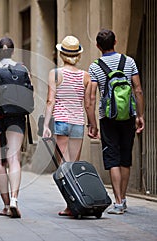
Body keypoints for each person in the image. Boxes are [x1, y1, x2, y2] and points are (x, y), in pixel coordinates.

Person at [88, 29, 144, 214]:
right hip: (128, 115)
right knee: (125, 158)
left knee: (112, 158)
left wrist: (93, 123)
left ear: (98, 46)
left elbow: (92, 98)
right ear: (116, 42)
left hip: (108, 117)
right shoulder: (129, 62)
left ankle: (118, 202)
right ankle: (124, 198)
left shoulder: (95, 66)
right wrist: (140, 115)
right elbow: (138, 90)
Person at [42, 35, 98, 216]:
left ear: (62, 54)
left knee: (64, 167)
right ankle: (74, 204)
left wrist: (46, 125)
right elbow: (88, 103)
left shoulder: (55, 74)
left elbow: (50, 100)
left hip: (60, 122)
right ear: (78, 56)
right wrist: (92, 124)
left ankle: (70, 205)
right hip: (77, 123)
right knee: (73, 166)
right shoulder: (85, 76)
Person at [0, 37, 32, 218]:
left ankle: (5, 205)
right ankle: (14, 200)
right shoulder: (22, 68)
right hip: (16, 117)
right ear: (12, 51)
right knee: (14, 160)